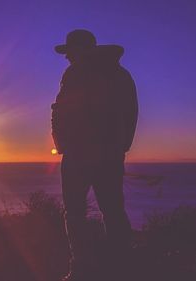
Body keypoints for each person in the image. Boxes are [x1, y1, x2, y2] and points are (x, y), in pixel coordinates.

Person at [51, 29, 138, 281]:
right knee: (111, 210)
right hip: (98, 155)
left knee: (80, 212)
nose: (67, 58)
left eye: (70, 52)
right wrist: (120, 148)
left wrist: (65, 143)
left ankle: (85, 268)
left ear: (83, 50)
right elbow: (131, 113)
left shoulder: (77, 74)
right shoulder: (119, 74)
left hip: (82, 156)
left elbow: (60, 109)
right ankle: (117, 266)